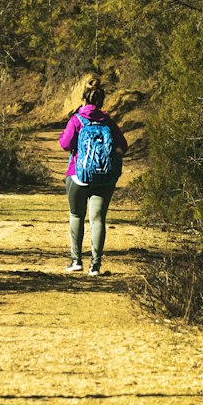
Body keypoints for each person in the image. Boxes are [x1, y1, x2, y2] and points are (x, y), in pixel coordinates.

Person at [59, 75, 127, 277]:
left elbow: (65, 144)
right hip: (104, 179)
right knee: (98, 220)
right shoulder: (108, 121)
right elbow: (123, 146)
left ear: (84, 99)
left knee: (76, 215)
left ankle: (76, 260)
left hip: (78, 176)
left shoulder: (77, 119)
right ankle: (95, 266)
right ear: (101, 100)